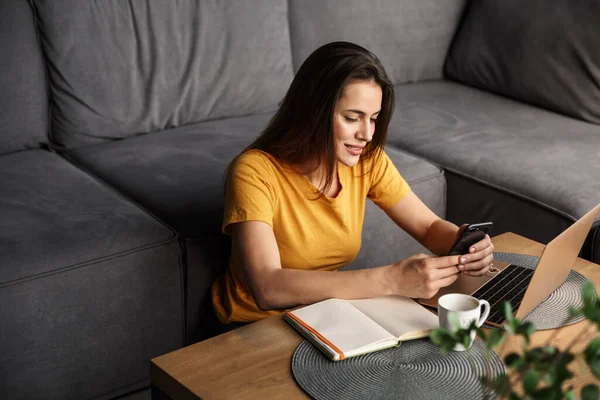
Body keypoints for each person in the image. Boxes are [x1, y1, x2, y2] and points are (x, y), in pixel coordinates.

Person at [211, 41, 494, 325]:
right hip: (251, 326)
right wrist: (392, 279)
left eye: (373, 118)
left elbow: (428, 226)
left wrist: (464, 243)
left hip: (322, 314)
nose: (368, 134)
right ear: (313, 111)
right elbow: (268, 287)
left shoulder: (366, 161)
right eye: (351, 118)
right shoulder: (254, 172)